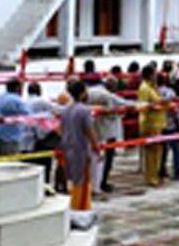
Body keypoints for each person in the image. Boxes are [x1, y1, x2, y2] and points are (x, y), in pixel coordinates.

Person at [86, 76, 132, 193]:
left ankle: (96, 183)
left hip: (94, 129)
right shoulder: (107, 96)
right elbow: (124, 104)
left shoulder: (93, 92)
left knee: (94, 160)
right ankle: (101, 182)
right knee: (106, 158)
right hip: (106, 131)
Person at [60, 79, 100, 211]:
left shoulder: (65, 110)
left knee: (72, 179)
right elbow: (89, 130)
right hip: (81, 149)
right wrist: (96, 146)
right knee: (82, 181)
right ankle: (80, 208)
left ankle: (75, 206)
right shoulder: (84, 110)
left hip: (67, 147)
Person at [25, 82, 65, 192]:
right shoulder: (41, 101)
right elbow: (59, 110)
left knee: (31, 167)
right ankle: (45, 187)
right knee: (45, 166)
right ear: (39, 91)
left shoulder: (24, 101)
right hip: (41, 139)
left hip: (27, 140)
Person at [137, 64, 166, 187]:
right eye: (154, 74)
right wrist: (156, 106)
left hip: (158, 122)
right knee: (151, 153)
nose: (156, 76)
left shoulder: (153, 87)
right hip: (150, 123)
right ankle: (151, 178)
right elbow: (143, 105)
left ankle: (156, 175)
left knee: (158, 151)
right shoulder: (144, 88)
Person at [0, 78, 30, 156]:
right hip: (11, 137)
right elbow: (28, 115)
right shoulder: (17, 100)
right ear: (18, 88)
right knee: (11, 163)